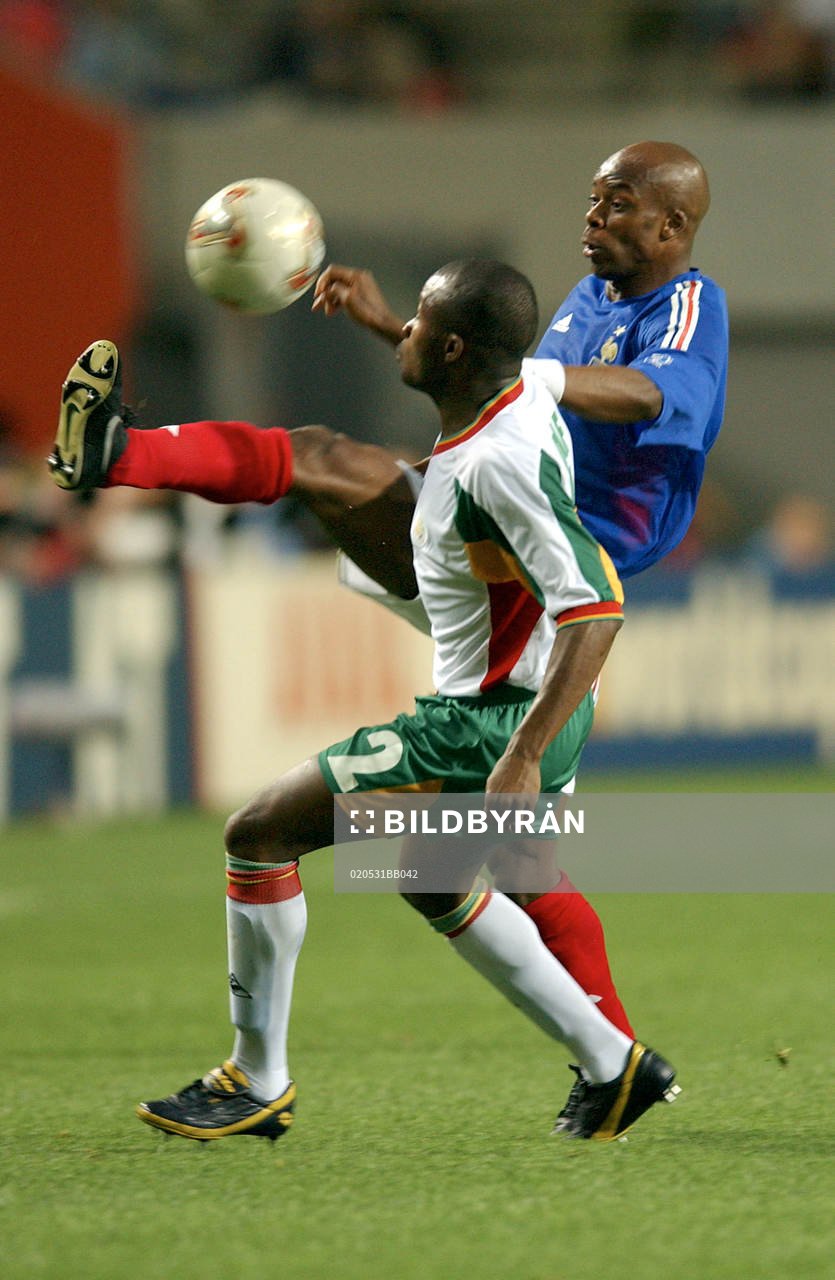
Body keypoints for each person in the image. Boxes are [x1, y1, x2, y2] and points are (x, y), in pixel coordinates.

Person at [49, 260, 679, 1142]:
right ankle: (613, 1066)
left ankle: (255, 1080)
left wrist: (521, 752)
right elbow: (466, 362)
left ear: (453, 349)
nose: (408, 334)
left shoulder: (498, 463)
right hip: (512, 699)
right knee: (428, 870)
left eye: (419, 323)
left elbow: (598, 605)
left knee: (259, 833)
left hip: (489, 721)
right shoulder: (503, 408)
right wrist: (389, 320)